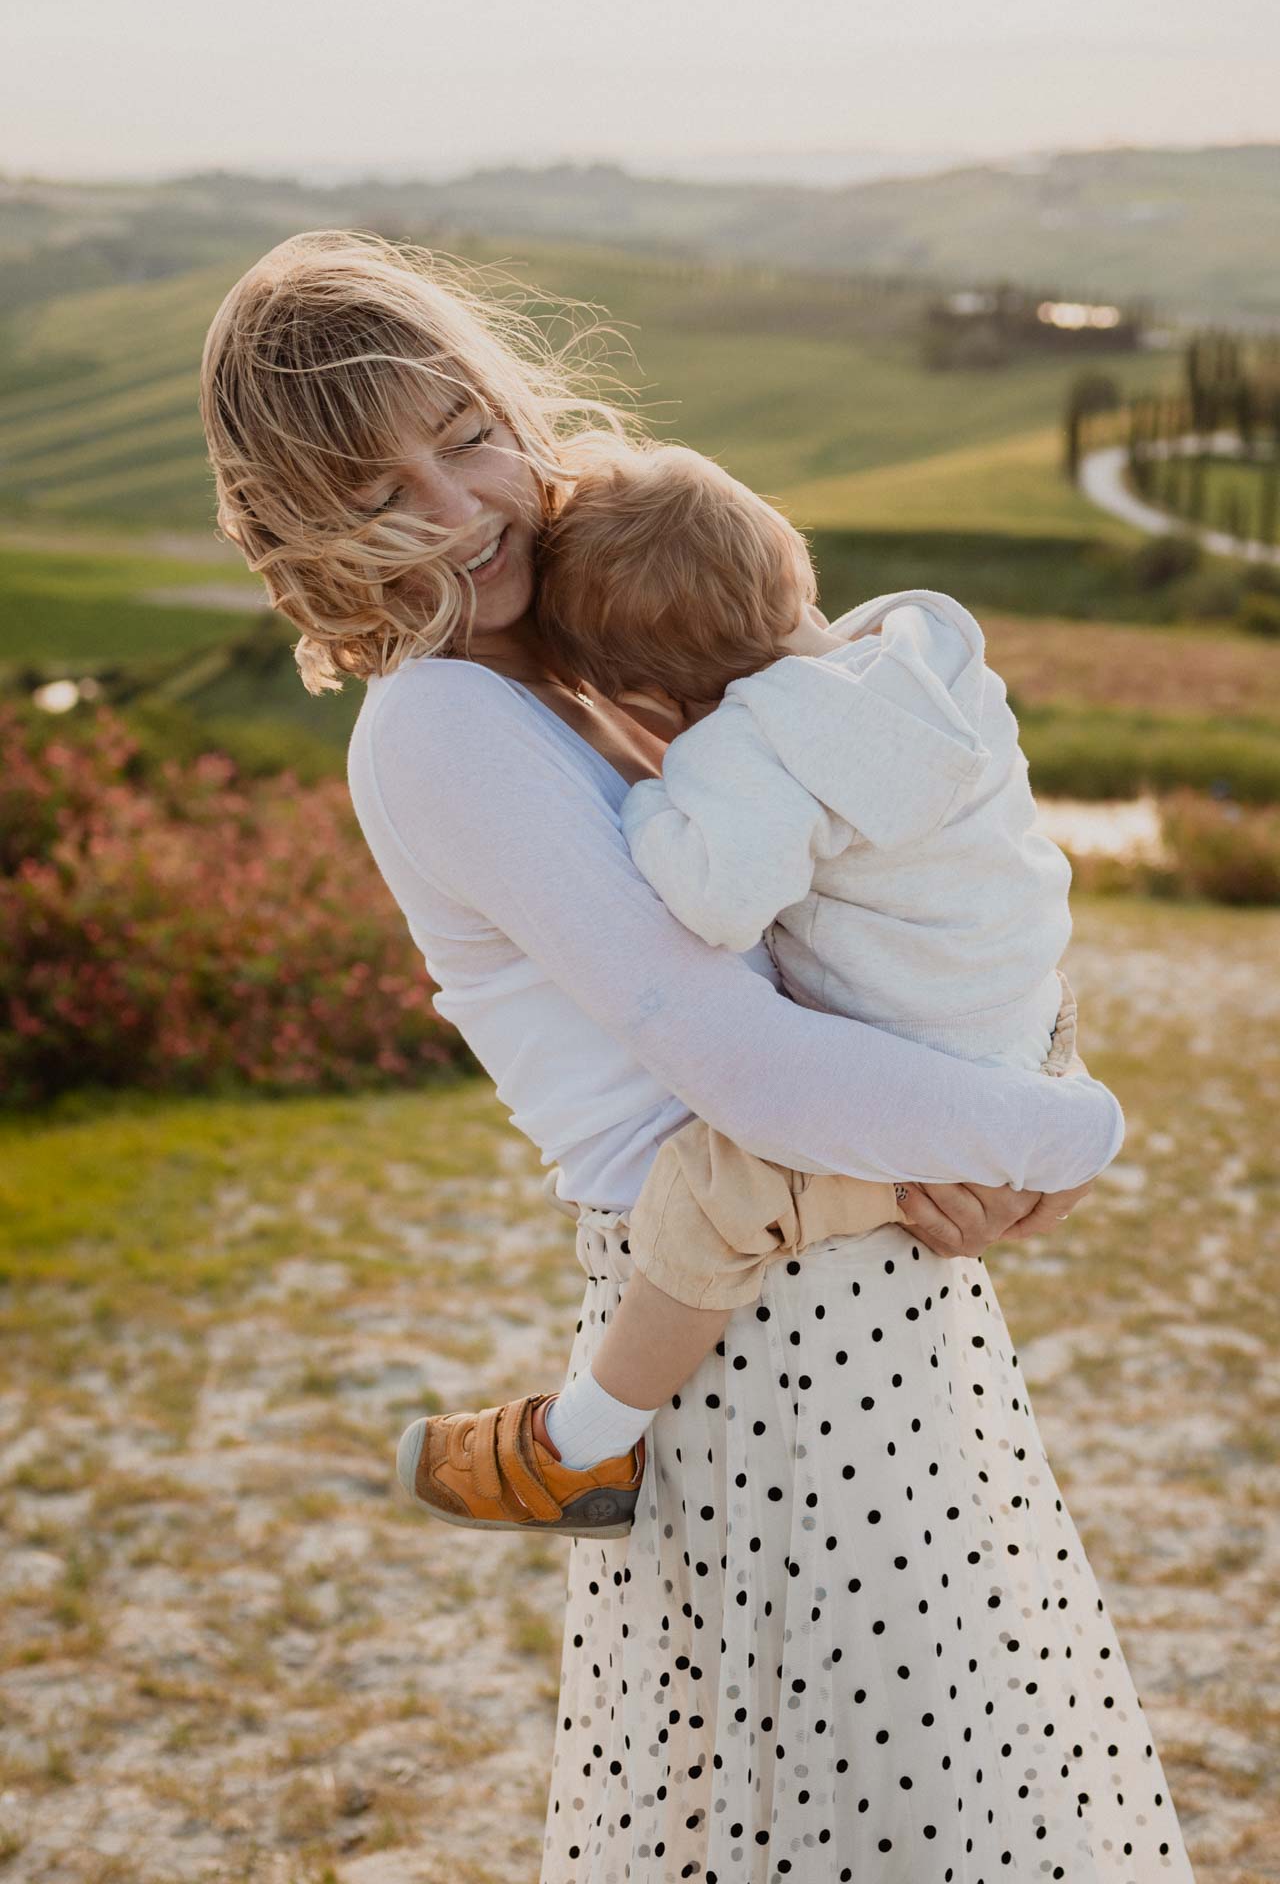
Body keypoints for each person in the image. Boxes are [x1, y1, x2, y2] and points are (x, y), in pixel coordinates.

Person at [199, 230, 1194, 1882]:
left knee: (939, 1793)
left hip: (847, 1283)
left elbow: (886, 901)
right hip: (758, 1337)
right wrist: (1046, 1132)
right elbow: (739, 1063)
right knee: (865, 1811)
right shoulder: (446, 726)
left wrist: (1003, 1118)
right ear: (308, 534)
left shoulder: (603, 662)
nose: (461, 509)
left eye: (467, 437)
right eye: (384, 490)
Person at [398, 438, 1091, 1525]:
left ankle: (579, 1445)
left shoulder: (749, 747)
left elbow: (712, 899)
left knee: (710, 1202)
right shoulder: (923, 648)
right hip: (1022, 1006)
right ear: (788, 557)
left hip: (924, 1062)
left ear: (651, 697)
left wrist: (652, 800)